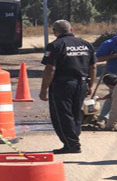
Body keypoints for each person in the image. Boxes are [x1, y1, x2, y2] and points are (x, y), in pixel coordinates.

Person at [39, 20, 97, 154]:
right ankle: (73, 139)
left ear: (55, 32)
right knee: (76, 113)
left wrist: (44, 89)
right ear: (71, 29)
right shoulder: (86, 44)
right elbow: (93, 66)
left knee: (62, 114)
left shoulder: (55, 45)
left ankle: (72, 144)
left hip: (62, 84)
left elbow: (50, 69)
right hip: (81, 83)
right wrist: (91, 85)